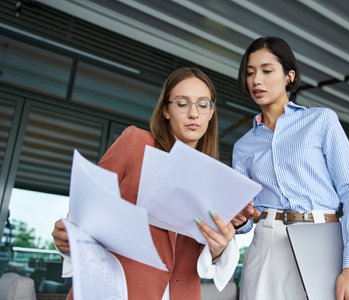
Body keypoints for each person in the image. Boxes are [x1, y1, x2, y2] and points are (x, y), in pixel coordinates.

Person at [52, 67, 239, 300]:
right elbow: (87, 211)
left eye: (203, 104)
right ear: (166, 111)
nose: (194, 113)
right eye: (182, 103)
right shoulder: (136, 142)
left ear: (211, 113)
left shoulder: (215, 178)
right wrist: (68, 238)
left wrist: (219, 249)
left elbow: (203, 256)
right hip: (119, 290)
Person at [231, 37, 349, 300]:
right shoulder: (243, 146)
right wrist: (239, 219)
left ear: (289, 76)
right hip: (267, 247)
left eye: (267, 70)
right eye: (250, 73)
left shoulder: (321, 120)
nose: (256, 80)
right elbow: (244, 222)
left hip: (324, 242)